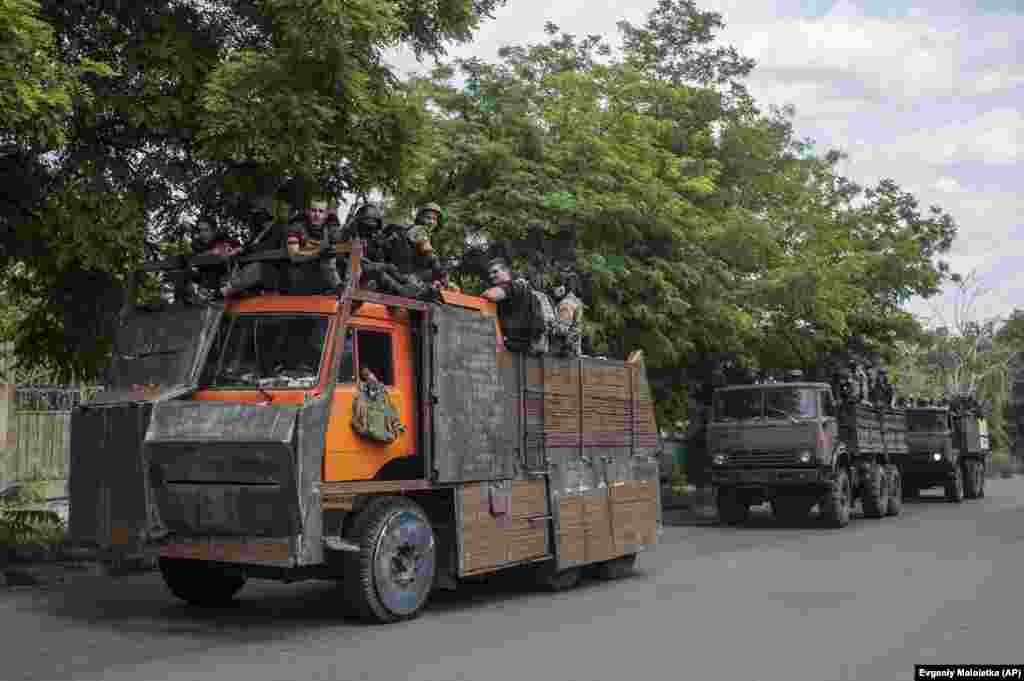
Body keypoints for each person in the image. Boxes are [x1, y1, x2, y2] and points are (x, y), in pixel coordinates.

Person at [482, 257, 551, 354]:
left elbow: (492, 295)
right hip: (525, 346)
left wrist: (482, 295)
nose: (491, 276)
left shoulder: (514, 286)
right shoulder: (519, 288)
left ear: (506, 270)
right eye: (490, 273)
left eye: (495, 272)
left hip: (518, 346)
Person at [282, 199, 343, 295]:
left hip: (326, 279)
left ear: (326, 214)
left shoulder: (332, 228)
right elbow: (294, 256)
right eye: (313, 210)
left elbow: (339, 249)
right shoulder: (296, 227)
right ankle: (340, 289)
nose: (317, 215)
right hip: (300, 278)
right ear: (307, 211)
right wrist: (318, 253)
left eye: (321, 211)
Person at [550, 274, 583, 357]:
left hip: (567, 347)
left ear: (575, 286)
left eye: (571, 283)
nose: (568, 285)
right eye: (567, 282)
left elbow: (576, 326)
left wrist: (569, 341)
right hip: (556, 342)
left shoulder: (575, 302)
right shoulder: (560, 299)